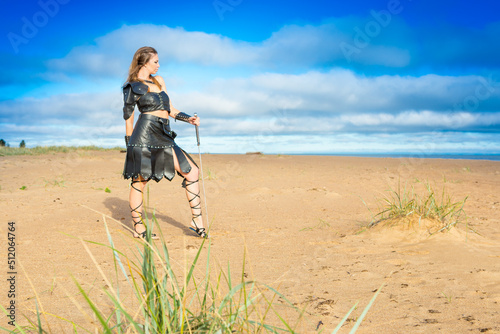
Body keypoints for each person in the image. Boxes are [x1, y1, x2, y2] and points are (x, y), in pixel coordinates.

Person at [122, 46, 207, 239]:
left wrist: (188, 119)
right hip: (143, 134)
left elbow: (170, 109)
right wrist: (129, 145)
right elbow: (128, 116)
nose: (159, 65)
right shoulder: (132, 86)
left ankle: (196, 221)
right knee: (140, 180)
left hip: (163, 133)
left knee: (192, 170)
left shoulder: (159, 81)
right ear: (143, 62)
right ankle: (138, 227)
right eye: (155, 62)